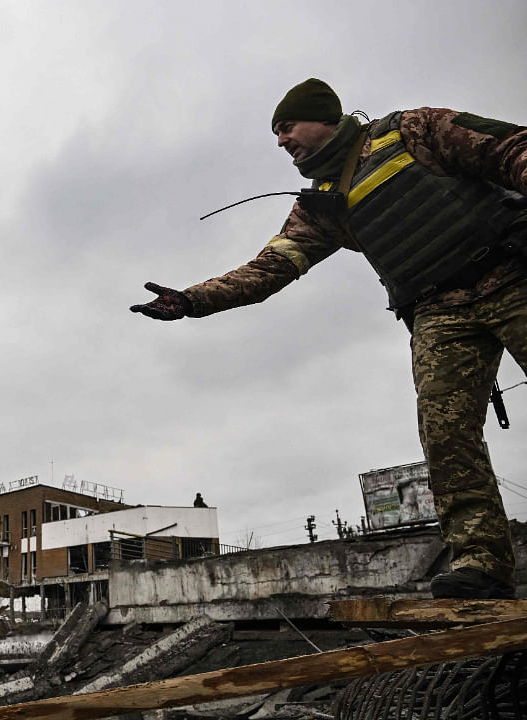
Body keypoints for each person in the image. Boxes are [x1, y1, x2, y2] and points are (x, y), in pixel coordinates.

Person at [131, 78, 527, 600]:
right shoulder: (322, 205)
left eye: (286, 127)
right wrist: (192, 300)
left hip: (512, 275)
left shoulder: (412, 130)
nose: (280, 141)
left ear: (324, 117)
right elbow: (270, 268)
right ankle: (481, 560)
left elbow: (510, 149)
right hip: (438, 312)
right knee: (446, 436)